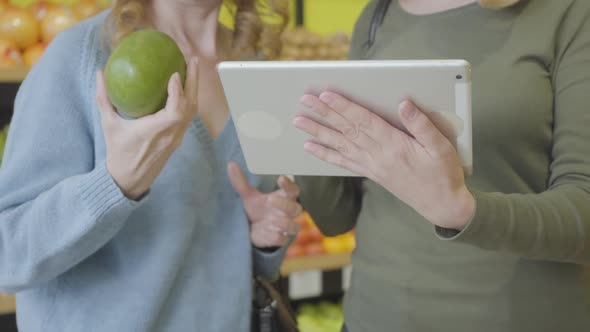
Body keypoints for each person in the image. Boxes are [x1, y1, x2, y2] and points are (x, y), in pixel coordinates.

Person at [0, 0, 300, 331]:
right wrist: (115, 183)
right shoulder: (83, 55)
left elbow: (220, 258)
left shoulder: (253, 66)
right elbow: (8, 255)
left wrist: (262, 239)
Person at [295, 0, 590, 331]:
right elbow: (338, 215)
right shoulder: (378, 14)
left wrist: (462, 210)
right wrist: (304, 139)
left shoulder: (572, 12)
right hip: (372, 316)